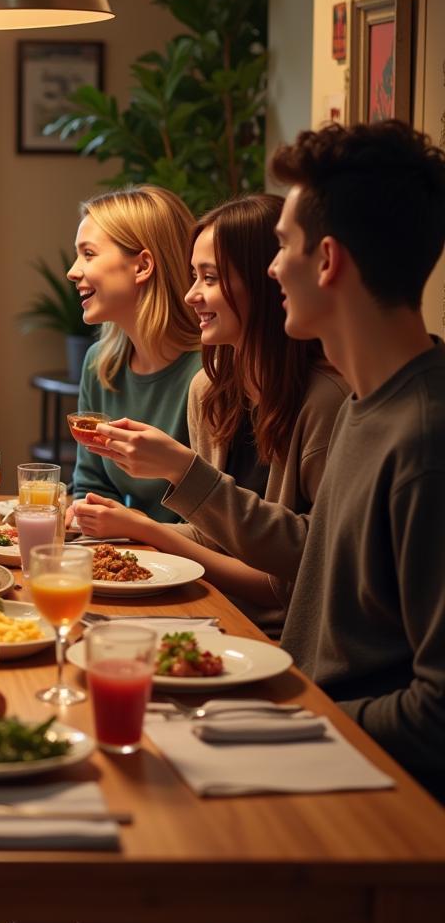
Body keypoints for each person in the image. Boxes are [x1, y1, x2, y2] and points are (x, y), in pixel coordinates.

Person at [100, 121, 445, 799]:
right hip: (310, 728)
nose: (270, 267)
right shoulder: (365, 406)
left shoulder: (423, 441)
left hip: (371, 793)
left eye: (282, 245)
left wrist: (289, 720)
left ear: (327, 260)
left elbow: (435, 715)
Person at [70, 195, 349, 637]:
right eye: (192, 277)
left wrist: (178, 476)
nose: (190, 295)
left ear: (268, 281)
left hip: (274, 635)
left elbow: (300, 570)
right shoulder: (210, 392)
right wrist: (142, 526)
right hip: (210, 612)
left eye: (210, 278)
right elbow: (215, 536)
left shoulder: (325, 401)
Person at [65, 185, 200, 524]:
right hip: (134, 555)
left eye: (89, 254)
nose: (72, 271)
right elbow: (91, 484)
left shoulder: (209, 371)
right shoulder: (100, 364)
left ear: (142, 266)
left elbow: (216, 516)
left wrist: (136, 529)